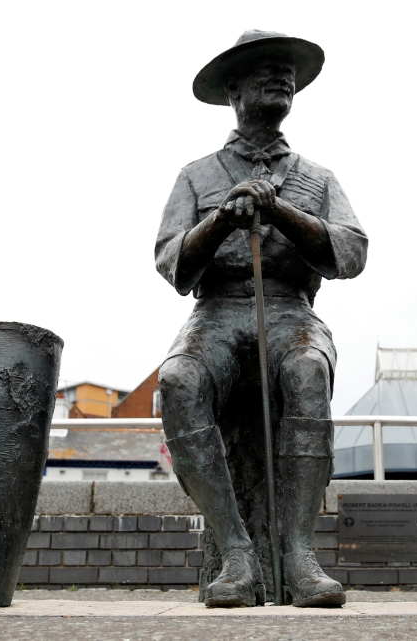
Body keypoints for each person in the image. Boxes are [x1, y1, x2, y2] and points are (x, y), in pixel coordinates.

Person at [156, 30, 367, 608]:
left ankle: (299, 555)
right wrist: (221, 220)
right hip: (217, 311)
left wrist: (280, 210)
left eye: (287, 70)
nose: (282, 77)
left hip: (289, 308)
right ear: (233, 89)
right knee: (178, 382)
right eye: (264, 69)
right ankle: (237, 553)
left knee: (306, 371)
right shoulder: (196, 175)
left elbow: (350, 253)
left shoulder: (317, 177)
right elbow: (172, 264)